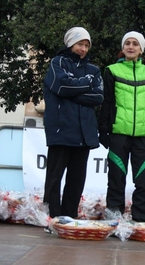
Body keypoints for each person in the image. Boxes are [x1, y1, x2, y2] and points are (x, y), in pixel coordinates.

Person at [43, 27, 104, 220]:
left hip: (84, 133)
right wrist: (85, 84)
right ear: (70, 43)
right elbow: (60, 86)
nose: (83, 49)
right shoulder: (57, 63)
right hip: (61, 130)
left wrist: (72, 91)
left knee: (76, 180)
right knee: (54, 179)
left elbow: (98, 96)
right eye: (80, 44)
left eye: (87, 45)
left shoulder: (94, 70)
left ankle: (69, 217)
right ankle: (51, 217)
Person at [98, 31, 145, 222]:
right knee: (116, 180)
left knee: (144, 181)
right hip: (118, 134)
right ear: (123, 48)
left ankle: (140, 219)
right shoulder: (112, 71)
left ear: (141, 49)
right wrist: (103, 129)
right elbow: (106, 102)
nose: (131, 47)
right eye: (127, 44)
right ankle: (114, 218)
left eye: (135, 44)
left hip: (143, 135)